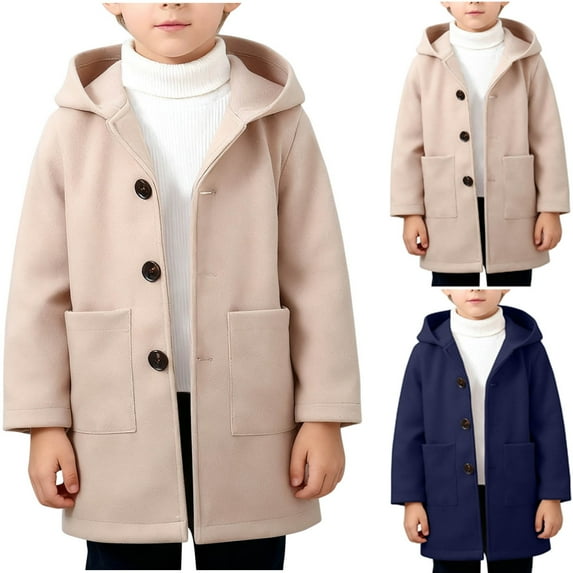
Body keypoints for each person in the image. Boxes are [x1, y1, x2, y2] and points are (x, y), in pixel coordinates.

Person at [3, 3, 361, 570]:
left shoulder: (277, 118)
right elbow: (39, 285)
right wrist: (43, 423)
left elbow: (317, 274)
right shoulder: (73, 125)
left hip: (252, 404)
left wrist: (324, 413)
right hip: (112, 405)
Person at [390, 2, 570, 287]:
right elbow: (408, 143)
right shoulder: (426, 63)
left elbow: (547, 137)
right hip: (445, 203)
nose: (474, 0)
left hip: (515, 202)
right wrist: (410, 212)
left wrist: (551, 208)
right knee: (453, 284)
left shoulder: (527, 60)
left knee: (513, 282)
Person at [391, 289, 570, 572]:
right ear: (445, 287)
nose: (475, 288)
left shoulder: (529, 349)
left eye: (486, 280)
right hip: (445, 491)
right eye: (464, 280)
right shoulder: (425, 352)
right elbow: (409, 431)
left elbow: (548, 425)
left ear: (506, 285)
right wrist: (411, 500)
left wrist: (552, 495)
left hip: (517, 490)